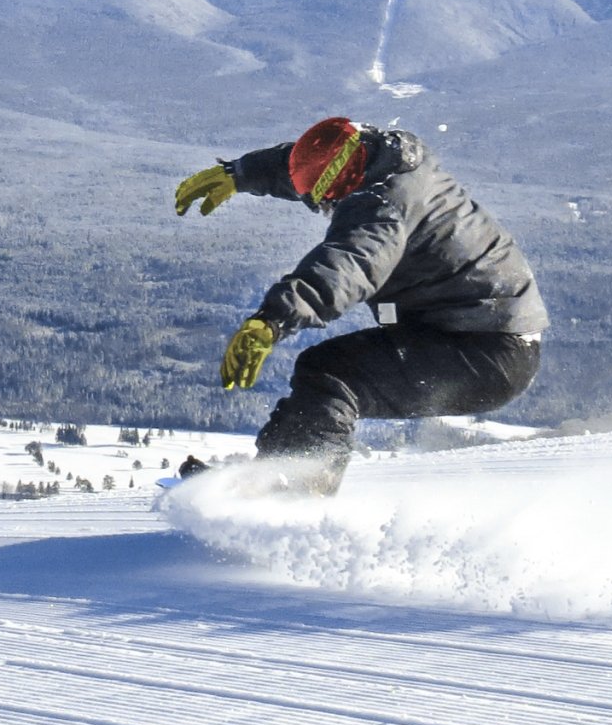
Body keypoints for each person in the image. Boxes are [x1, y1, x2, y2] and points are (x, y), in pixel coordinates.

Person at [173, 117, 546, 494]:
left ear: (346, 178)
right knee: (325, 371)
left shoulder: (383, 206)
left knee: (334, 374)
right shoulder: (382, 160)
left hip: (487, 352)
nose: (322, 206)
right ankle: (271, 479)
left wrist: (272, 320)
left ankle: (299, 493)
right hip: (477, 333)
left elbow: (350, 263)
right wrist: (241, 174)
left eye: (326, 197)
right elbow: (310, 165)